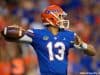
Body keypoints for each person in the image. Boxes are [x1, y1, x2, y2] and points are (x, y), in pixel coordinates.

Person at [2, 5, 96, 75]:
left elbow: (92, 52)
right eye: (60, 17)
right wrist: (16, 32)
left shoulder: (69, 35)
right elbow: (6, 33)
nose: (63, 19)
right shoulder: (37, 34)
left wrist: (83, 45)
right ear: (52, 18)